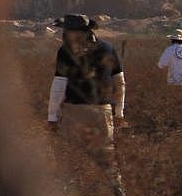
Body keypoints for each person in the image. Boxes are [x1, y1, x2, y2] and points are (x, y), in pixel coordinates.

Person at [47, 13, 125, 155]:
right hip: (103, 112)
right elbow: (120, 84)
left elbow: (59, 87)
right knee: (106, 157)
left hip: (74, 112)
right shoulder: (108, 48)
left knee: (72, 158)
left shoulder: (65, 52)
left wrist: (52, 117)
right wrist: (119, 113)